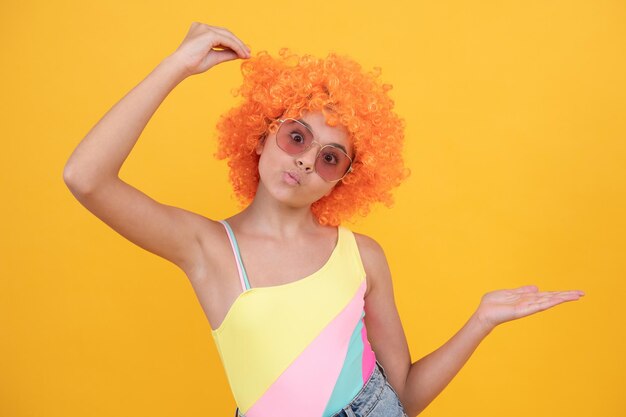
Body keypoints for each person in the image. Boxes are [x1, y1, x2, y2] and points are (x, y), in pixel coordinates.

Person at [63, 22, 584, 417]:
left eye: (331, 157)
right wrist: (177, 64)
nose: (308, 160)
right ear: (264, 132)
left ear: (344, 178)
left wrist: (481, 321)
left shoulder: (363, 256)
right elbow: (86, 177)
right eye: (296, 136)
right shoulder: (207, 247)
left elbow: (404, 394)